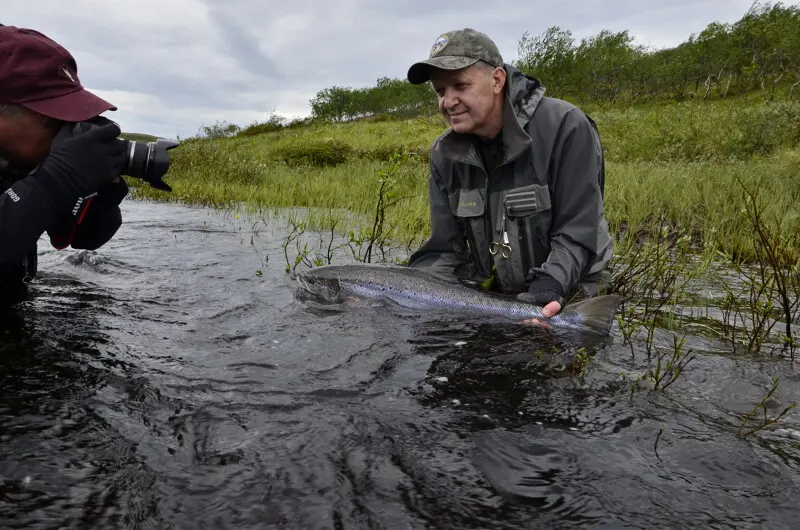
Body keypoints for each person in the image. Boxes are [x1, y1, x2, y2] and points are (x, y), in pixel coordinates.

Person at [405, 28, 614, 317]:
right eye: (440, 91)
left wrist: (549, 286)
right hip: (499, 297)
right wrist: (406, 292)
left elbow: (578, 231)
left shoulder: (567, 126)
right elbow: (444, 249)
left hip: (574, 294)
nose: (448, 102)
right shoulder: (444, 153)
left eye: (460, 86)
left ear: (497, 80)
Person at [0, 25, 128, 303]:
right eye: (54, 120)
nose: (65, 134)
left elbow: (88, 239)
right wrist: (56, 180)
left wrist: (100, 196)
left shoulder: (15, 162)